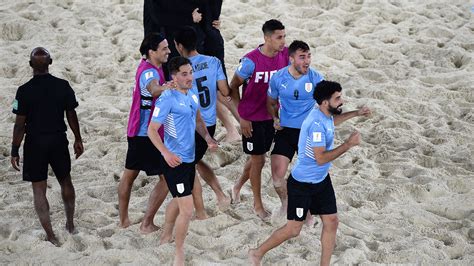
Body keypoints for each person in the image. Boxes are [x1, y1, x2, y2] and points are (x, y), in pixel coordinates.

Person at [248, 81, 371, 266]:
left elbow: (332, 122)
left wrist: (356, 113)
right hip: (302, 185)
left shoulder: (324, 114)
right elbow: (320, 158)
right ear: (324, 102)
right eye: (337, 98)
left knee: (332, 221)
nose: (341, 101)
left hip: (321, 180)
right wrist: (347, 145)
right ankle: (256, 253)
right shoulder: (315, 124)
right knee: (293, 229)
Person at [147, 56, 218, 266]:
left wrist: (208, 138)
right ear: (174, 77)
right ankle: (179, 253)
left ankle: (165, 235)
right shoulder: (167, 98)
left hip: (189, 158)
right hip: (173, 161)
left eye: (190, 72)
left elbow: (198, 120)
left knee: (179, 202)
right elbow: (151, 130)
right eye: (184, 74)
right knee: (187, 209)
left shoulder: (192, 93)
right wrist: (166, 153)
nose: (189, 77)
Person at [10, 47, 84, 246]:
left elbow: (19, 125)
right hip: (58, 139)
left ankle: (51, 235)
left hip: (35, 143)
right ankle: (70, 224)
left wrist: (15, 149)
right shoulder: (63, 86)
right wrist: (78, 138)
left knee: (39, 190)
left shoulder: (24, 91)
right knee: (66, 182)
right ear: (50, 63)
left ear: (30, 65)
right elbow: (71, 114)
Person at [230, 19, 289, 220]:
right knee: (259, 159)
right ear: (266, 38)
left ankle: (237, 187)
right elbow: (233, 87)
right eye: (278, 37)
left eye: (284, 36)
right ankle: (257, 204)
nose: (283, 41)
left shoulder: (285, 55)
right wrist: (241, 117)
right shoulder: (250, 62)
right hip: (252, 118)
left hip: (271, 117)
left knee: (258, 157)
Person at [117, 33, 172, 233]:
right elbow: (154, 89)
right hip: (145, 135)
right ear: (152, 51)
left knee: (129, 175)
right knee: (166, 179)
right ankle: (146, 223)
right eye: (164, 48)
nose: (168, 51)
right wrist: (170, 86)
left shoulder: (150, 66)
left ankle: (124, 221)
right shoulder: (150, 73)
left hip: (138, 131)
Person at [174, 26, 232, 216]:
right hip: (210, 122)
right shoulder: (213, 61)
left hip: (191, 124)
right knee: (196, 161)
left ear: (178, 46)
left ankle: (200, 210)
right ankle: (218, 196)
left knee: (189, 165)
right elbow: (224, 90)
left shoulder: (180, 69)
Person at [266, 40, 324, 218]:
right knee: (277, 177)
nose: (307, 61)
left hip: (306, 133)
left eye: (308, 56)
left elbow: (327, 105)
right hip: (285, 131)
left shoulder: (316, 78)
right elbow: (271, 102)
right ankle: (286, 203)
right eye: (302, 57)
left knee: (307, 177)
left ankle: (308, 215)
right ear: (291, 59)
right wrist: (275, 118)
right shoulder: (279, 78)